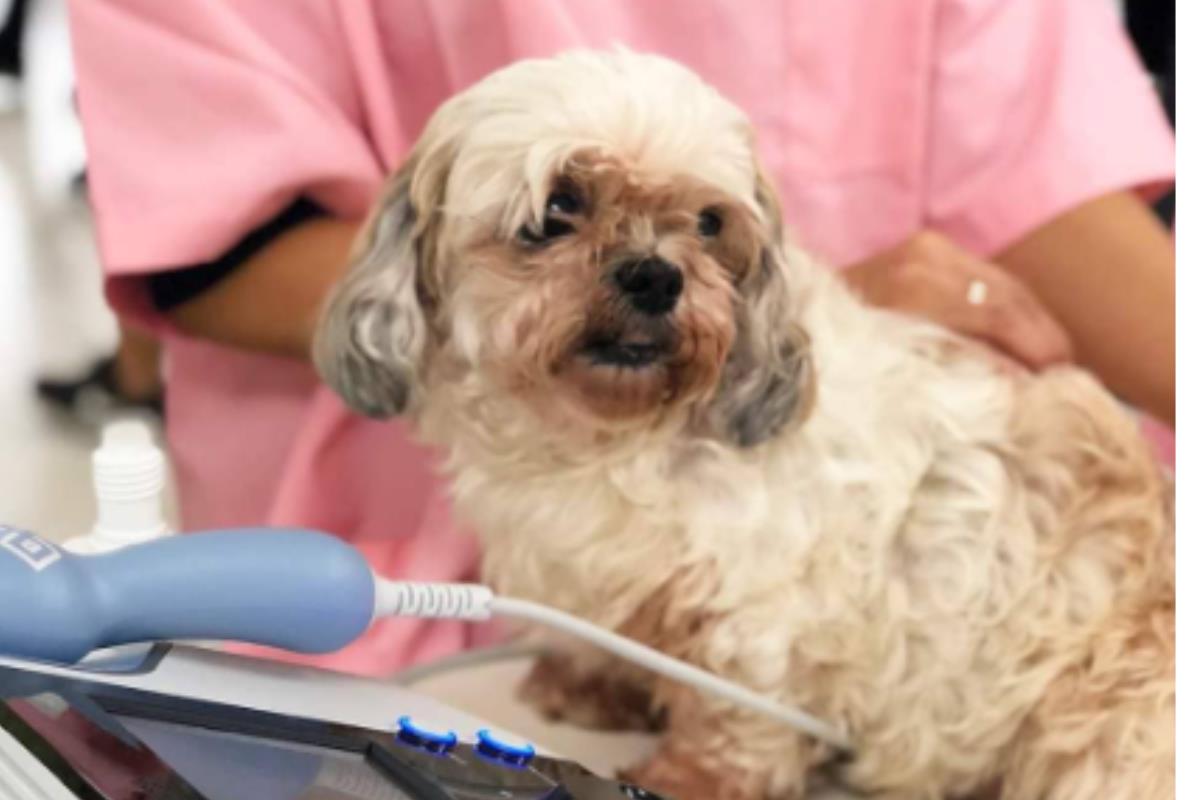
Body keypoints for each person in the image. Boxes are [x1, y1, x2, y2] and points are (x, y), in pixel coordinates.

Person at [66, 0, 1175, 676]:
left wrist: (780, 304)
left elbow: (1043, 160)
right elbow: (213, 232)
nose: (647, 268)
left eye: (706, 233)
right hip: (370, 585)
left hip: (860, 580)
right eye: (557, 215)